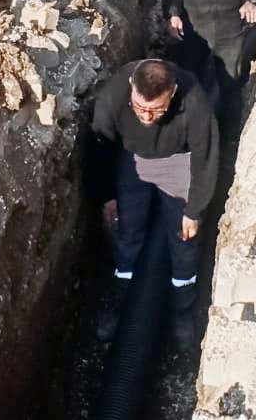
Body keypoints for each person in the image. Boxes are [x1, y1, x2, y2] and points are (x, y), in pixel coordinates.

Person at [83, 58, 221, 348]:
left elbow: (206, 158)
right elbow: (101, 147)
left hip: (178, 161)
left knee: (184, 239)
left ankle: (182, 309)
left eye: (156, 110)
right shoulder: (114, 95)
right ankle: (120, 300)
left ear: (172, 93)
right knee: (126, 230)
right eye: (140, 108)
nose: (146, 117)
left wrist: (194, 209)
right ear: (132, 86)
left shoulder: (194, 102)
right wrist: (107, 196)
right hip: (132, 160)